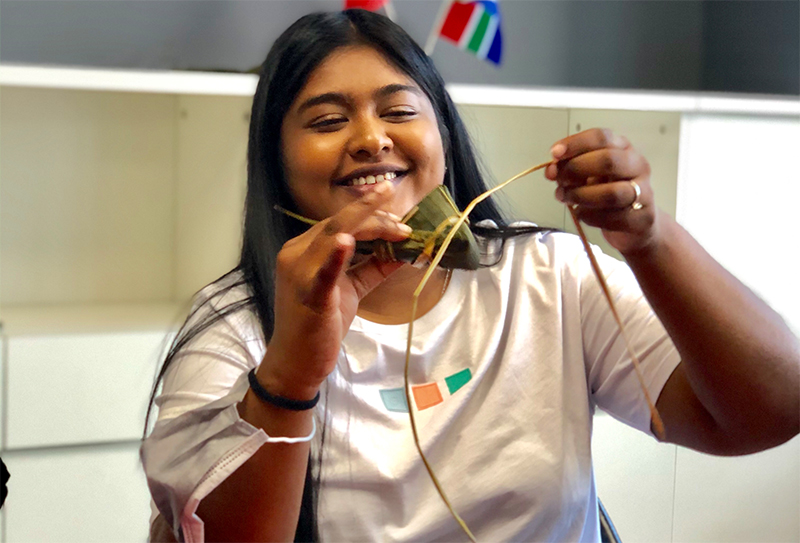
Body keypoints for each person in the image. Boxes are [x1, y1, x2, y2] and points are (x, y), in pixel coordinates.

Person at [140, 9, 799, 543]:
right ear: (276, 161)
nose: (371, 138)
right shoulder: (231, 329)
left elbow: (769, 410)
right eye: (328, 120)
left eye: (398, 111)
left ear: (444, 136)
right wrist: (291, 372)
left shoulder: (549, 276)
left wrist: (653, 239)